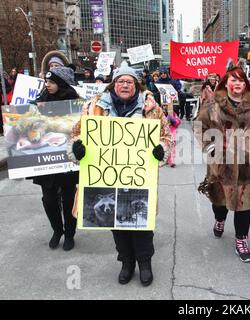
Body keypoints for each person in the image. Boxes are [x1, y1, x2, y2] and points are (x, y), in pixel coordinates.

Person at [69, 61, 173, 286]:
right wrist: (78, 147)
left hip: (138, 178)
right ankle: (126, 262)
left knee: (141, 223)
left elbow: (166, 137)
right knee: (117, 224)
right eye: (120, 81)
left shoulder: (151, 109)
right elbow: (77, 133)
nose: (125, 85)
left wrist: (160, 150)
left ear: (136, 85)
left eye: (129, 81)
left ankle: (145, 263)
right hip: (106, 177)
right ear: (113, 84)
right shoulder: (94, 107)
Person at [194, 59, 250, 263]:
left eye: (241, 81)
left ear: (246, 84)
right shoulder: (212, 105)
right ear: (226, 82)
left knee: (245, 204)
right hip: (221, 164)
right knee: (220, 201)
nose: (237, 84)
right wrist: (210, 148)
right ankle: (219, 219)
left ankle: (241, 240)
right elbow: (199, 127)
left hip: (247, 164)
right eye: (233, 80)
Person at [31, 66, 80, 251]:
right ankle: (57, 230)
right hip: (46, 158)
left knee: (68, 199)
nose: (48, 85)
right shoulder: (40, 100)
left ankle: (69, 233)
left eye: (51, 82)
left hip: (67, 159)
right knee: (49, 200)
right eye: (46, 82)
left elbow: (81, 127)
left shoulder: (73, 101)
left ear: (60, 83)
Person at [162, 100, 181, 167]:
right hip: (164, 133)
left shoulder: (173, 114)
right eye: (163, 105)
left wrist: (172, 119)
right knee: (165, 146)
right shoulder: (161, 114)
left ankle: (172, 161)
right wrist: (166, 119)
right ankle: (166, 159)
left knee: (172, 146)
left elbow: (178, 122)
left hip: (172, 132)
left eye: (166, 105)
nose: (164, 107)